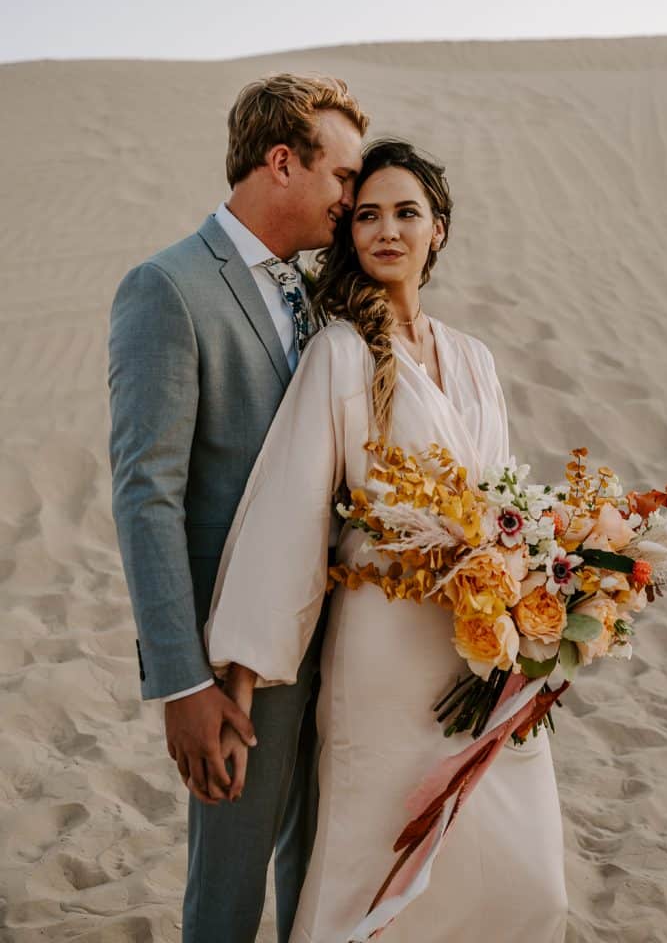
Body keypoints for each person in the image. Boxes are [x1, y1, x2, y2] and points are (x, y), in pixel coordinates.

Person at [205, 140, 569, 942]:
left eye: (406, 212)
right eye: (366, 215)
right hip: (381, 643)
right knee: (373, 859)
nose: (386, 230)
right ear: (349, 236)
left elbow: (507, 502)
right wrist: (242, 670)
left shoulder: (474, 358)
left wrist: (535, 615)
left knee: (523, 871)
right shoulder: (339, 352)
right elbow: (290, 513)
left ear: (437, 229)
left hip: (483, 644)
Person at [108, 73, 367, 943]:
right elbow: (148, 494)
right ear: (282, 161)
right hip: (235, 664)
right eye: (342, 176)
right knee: (226, 895)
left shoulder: (319, 293)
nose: (353, 198)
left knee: (318, 872)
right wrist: (184, 682)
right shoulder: (169, 287)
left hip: (340, 641)